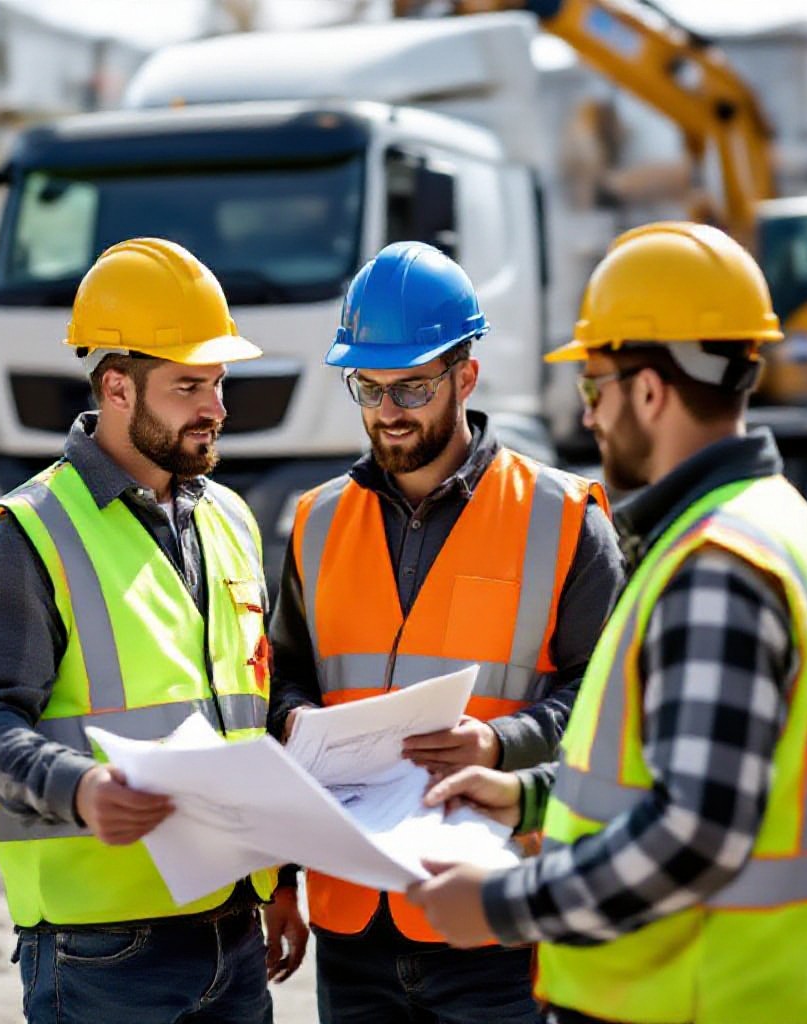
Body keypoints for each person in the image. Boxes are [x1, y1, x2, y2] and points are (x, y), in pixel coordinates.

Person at [408, 222, 807, 1024]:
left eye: (594, 388)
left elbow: (695, 832)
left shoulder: (718, 563)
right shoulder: (779, 525)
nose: (587, 417)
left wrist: (502, 905)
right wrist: (525, 799)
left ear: (649, 391)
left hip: (693, 998)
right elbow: (671, 777)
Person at [0, 238, 307, 1024]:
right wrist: (77, 787)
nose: (217, 408)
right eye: (189, 386)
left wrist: (279, 881)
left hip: (236, 933)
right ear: (116, 387)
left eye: (217, 382)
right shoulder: (25, 534)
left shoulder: (231, 519)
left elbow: (247, 713)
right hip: (102, 952)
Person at [268, 240, 624, 1022]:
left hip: (497, 919)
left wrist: (501, 744)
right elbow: (281, 674)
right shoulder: (318, 522)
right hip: (354, 921)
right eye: (368, 386)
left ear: (466, 374)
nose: (388, 412)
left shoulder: (561, 519)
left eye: (413, 387)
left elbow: (609, 705)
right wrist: (282, 870)